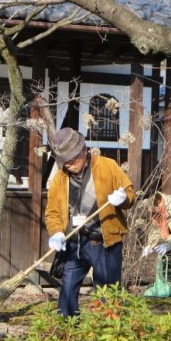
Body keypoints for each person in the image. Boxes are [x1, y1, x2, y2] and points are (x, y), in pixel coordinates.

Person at [46, 128, 135, 316]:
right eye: (65, 161)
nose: (69, 165)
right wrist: (56, 232)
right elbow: (52, 212)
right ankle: (67, 329)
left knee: (107, 292)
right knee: (67, 289)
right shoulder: (59, 179)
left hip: (104, 242)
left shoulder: (107, 166)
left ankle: (107, 332)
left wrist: (123, 199)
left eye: (73, 160)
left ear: (84, 151)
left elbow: (129, 194)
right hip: (75, 242)